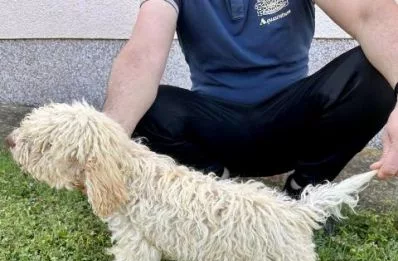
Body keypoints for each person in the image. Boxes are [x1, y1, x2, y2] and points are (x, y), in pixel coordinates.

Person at [102, 0, 398, 197]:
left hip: (292, 123)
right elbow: (142, 55)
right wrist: (103, 149)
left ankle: (304, 190)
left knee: (374, 73)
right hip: (216, 130)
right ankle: (218, 189)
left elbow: (370, 14)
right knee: (148, 107)